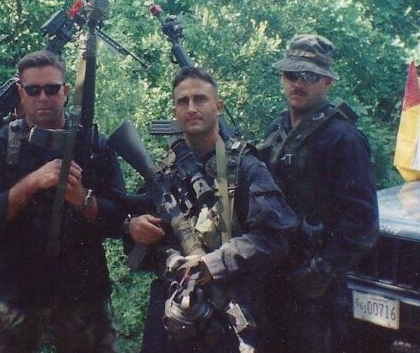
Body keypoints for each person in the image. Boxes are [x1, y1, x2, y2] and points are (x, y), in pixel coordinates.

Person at [126, 66, 298, 352]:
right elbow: (140, 240)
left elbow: (274, 237)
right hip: (173, 309)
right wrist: (134, 229)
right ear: (174, 112)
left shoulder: (244, 166)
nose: (191, 108)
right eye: (183, 101)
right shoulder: (163, 172)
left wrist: (212, 264)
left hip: (229, 310)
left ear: (218, 107)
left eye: (200, 99)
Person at [0, 50, 127, 352]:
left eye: (52, 89)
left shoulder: (93, 144)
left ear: (66, 92)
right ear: (20, 93)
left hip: (81, 286)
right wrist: (31, 183)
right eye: (33, 90)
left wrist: (83, 199)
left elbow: (119, 218)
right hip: (15, 286)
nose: (43, 97)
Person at [259, 34, 379, 353]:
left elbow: (363, 223)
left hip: (315, 290)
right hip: (270, 274)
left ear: (327, 82)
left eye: (309, 76)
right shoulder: (277, 129)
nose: (298, 83)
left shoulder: (344, 139)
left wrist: (323, 270)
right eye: (291, 75)